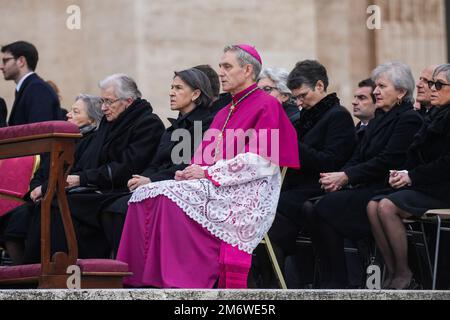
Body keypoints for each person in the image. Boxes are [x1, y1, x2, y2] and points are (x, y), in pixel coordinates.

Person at [117, 44, 299, 289]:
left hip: (246, 192)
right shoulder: (225, 110)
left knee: (167, 196)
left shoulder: (267, 105)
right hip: (215, 184)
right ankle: (140, 279)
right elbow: (204, 156)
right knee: (143, 193)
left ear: (247, 70)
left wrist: (207, 172)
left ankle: (181, 279)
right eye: (220, 66)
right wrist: (189, 171)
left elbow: (262, 162)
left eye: (227, 66)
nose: (221, 72)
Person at [13, 74, 165, 264]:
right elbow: (90, 161)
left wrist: (82, 179)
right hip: (98, 187)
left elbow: (126, 167)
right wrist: (78, 179)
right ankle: (38, 270)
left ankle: (61, 269)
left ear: (128, 101)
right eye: (102, 101)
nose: (103, 108)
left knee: (60, 204)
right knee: (47, 204)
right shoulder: (110, 123)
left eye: (108, 102)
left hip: (120, 189)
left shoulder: (148, 124)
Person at [311, 62, 423, 289]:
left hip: (387, 187)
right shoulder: (380, 117)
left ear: (401, 92)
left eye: (382, 86)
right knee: (313, 207)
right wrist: (339, 176)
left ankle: (344, 279)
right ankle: (334, 277)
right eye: (376, 86)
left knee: (324, 208)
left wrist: (347, 177)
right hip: (366, 186)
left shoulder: (408, 119)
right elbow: (359, 155)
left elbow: (387, 161)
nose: (376, 91)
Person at [101, 68, 214, 256]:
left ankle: (134, 267)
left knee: (120, 209)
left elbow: (187, 166)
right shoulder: (173, 128)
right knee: (110, 207)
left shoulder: (205, 125)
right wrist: (143, 178)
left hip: (185, 192)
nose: (171, 92)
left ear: (195, 94)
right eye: (171, 87)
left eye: (178, 88)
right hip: (160, 185)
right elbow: (156, 162)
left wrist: (151, 181)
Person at [267, 60, 356, 282]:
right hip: (296, 189)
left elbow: (331, 161)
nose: (299, 102)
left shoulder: (338, 116)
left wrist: (292, 147)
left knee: (271, 214)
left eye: (303, 96)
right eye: (295, 97)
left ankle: (277, 280)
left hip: (319, 189)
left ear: (319, 86)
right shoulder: (305, 118)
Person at [367, 63, 450, 290]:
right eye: (432, 83)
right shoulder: (434, 114)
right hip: (427, 184)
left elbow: (445, 164)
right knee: (373, 205)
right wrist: (402, 174)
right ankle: (393, 271)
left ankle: (404, 272)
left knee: (386, 206)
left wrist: (411, 176)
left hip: (443, 189)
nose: (432, 88)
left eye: (439, 85)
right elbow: (416, 156)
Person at [1, 94, 103, 265]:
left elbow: (74, 174)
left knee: (36, 221)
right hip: (41, 198)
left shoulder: (93, 142)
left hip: (66, 200)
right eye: (70, 110)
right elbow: (40, 173)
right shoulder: (61, 140)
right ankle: (22, 271)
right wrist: (36, 189)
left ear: (93, 120)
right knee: (13, 225)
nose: (68, 114)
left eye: (76, 111)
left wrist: (45, 189)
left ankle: (31, 273)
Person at [0, 41, 61, 126]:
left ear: (21, 61)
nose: (1, 66)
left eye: (5, 61)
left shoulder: (38, 89)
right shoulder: (28, 88)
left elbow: (39, 133)